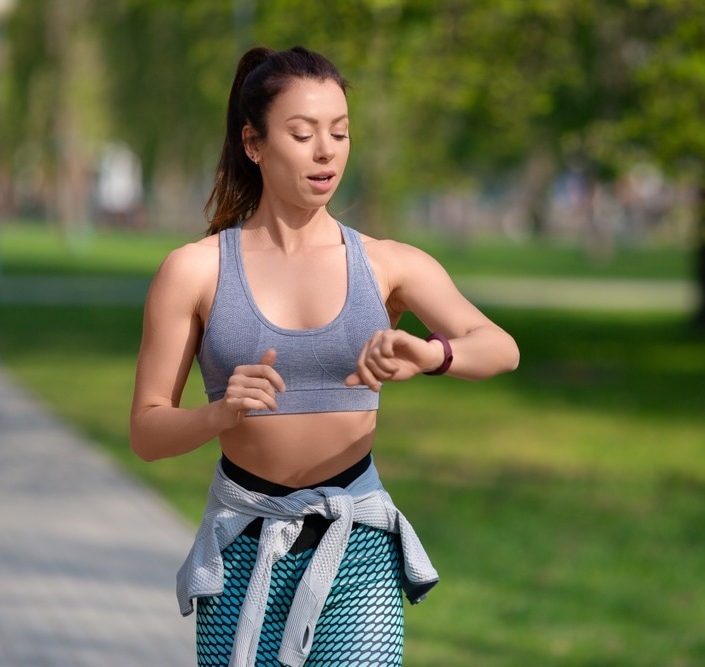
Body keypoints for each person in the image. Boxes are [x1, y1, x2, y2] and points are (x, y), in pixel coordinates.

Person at [129, 45, 519, 667]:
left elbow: (501, 348)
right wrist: (220, 414)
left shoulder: (388, 264)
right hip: (243, 539)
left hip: (356, 539)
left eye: (339, 132)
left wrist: (428, 354)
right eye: (303, 133)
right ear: (253, 143)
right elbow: (148, 431)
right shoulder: (194, 271)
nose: (326, 150)